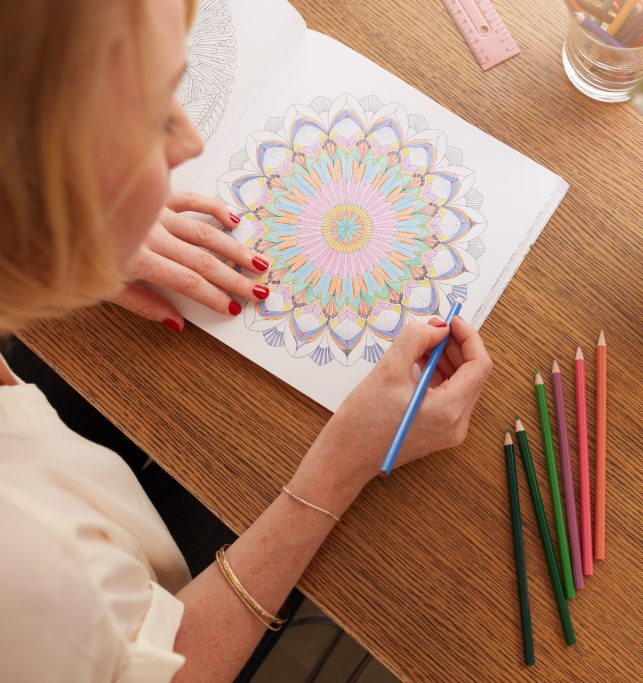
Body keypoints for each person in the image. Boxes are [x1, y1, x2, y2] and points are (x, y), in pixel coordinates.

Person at [0, 1, 492, 681]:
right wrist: (342, 462)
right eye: (149, 116)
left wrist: (70, 233)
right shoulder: (27, 561)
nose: (191, 143)